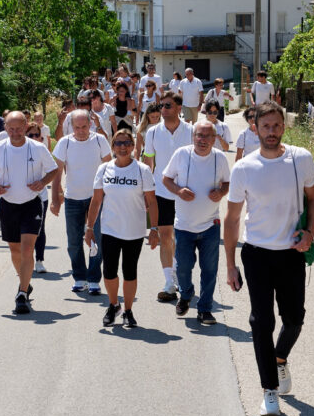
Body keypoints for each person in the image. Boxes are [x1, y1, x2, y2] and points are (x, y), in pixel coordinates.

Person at [224, 101, 314, 416]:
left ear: (284, 126)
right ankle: (268, 390)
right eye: (265, 126)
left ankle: (279, 359)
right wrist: (230, 264)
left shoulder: (300, 158)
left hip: (292, 252)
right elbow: (232, 218)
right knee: (261, 321)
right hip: (257, 254)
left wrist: (310, 233)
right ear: (255, 128)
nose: (272, 132)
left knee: (294, 318)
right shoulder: (244, 168)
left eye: (277, 125)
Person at [0, 111, 58, 314]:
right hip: (8, 204)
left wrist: (42, 182)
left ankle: (22, 294)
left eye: (19, 128)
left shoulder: (38, 148)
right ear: (5, 128)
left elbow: (53, 169)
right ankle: (25, 280)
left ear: (26, 127)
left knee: (26, 249)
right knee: (15, 250)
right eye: (11, 128)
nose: (15, 133)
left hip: (32, 203)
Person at [85, 129, 160, 328]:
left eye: (127, 142)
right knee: (109, 271)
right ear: (113, 146)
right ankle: (113, 304)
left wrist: (154, 229)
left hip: (134, 231)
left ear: (133, 145)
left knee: (129, 271)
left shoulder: (142, 170)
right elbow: (96, 200)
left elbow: (152, 202)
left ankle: (128, 310)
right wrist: (89, 227)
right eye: (118, 143)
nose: (123, 147)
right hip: (110, 229)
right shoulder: (104, 169)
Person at [162, 120, 229, 324]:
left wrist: (221, 192)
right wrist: (179, 191)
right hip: (184, 225)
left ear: (214, 138)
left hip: (210, 224)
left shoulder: (220, 158)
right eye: (199, 135)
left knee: (209, 270)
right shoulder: (181, 154)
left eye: (207, 136)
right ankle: (186, 294)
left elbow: (227, 182)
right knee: (183, 268)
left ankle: (205, 309)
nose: (202, 140)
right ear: (193, 137)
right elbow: (166, 179)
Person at [51, 110, 112, 293]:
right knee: (74, 241)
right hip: (73, 199)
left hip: (97, 199)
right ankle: (79, 277)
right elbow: (57, 172)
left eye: (84, 126)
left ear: (90, 124)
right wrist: (55, 198)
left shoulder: (100, 141)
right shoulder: (65, 143)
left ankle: (94, 278)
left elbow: (110, 168)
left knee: (97, 239)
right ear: (71, 127)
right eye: (77, 127)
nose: (80, 131)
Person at [142, 92, 192, 302]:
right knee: (165, 237)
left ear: (179, 108)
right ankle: (169, 283)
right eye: (161, 106)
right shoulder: (153, 132)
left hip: (186, 193)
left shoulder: (191, 131)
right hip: (161, 191)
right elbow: (148, 162)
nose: (163, 109)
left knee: (181, 239)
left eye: (168, 105)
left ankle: (181, 276)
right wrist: (145, 191)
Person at [25, 124, 51, 275]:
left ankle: (39, 260)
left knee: (39, 229)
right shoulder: (17, 151)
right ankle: (25, 260)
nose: (34, 138)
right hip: (20, 198)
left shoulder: (43, 151)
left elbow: (53, 171)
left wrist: (42, 183)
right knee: (22, 231)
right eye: (31, 135)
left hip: (40, 197)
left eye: (37, 135)